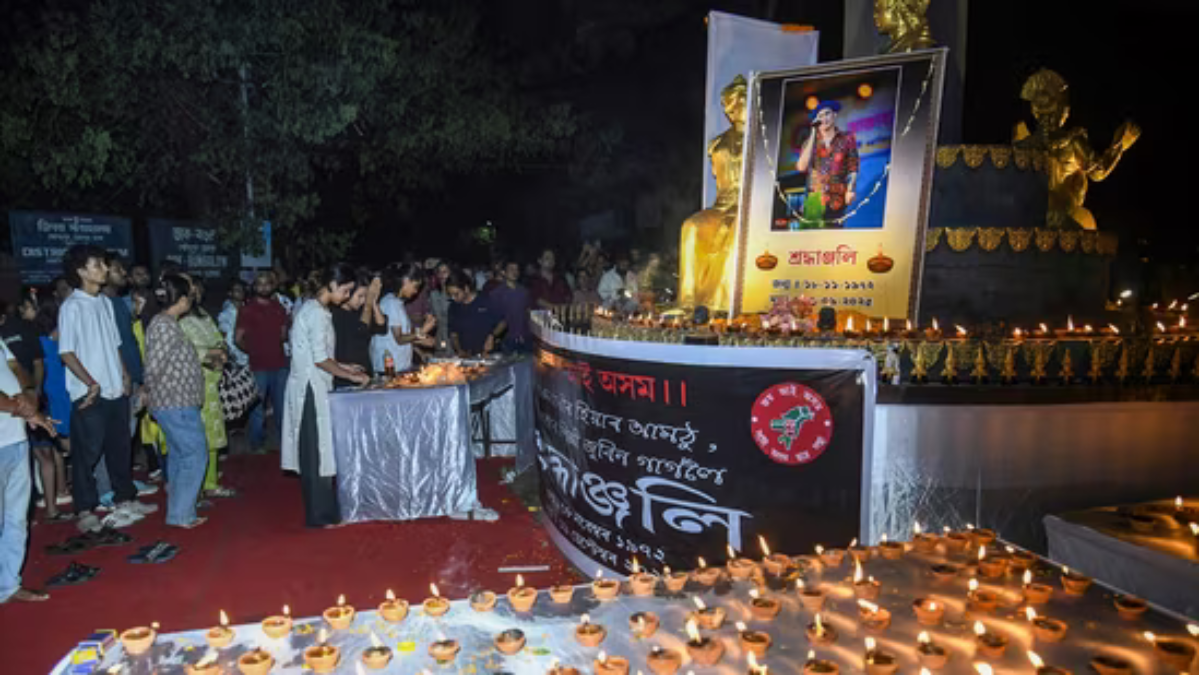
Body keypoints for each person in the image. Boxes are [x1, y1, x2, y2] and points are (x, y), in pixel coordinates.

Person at [58, 245, 155, 533]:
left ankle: (125, 499)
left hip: (114, 388)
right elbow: (66, 352)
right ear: (81, 271)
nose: (103, 269)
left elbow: (115, 344)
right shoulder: (72, 306)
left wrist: (124, 374)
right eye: (97, 264)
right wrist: (90, 383)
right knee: (87, 453)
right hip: (89, 394)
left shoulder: (104, 302)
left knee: (119, 447)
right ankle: (85, 509)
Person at [281, 266, 369, 528]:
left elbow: (318, 354)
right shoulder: (316, 313)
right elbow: (319, 359)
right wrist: (349, 375)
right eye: (344, 290)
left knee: (317, 453)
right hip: (310, 388)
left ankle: (325, 512)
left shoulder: (314, 310)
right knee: (316, 454)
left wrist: (344, 366)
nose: (346, 295)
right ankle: (319, 516)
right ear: (330, 285)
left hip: (312, 384)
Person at [144, 275, 209, 528]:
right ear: (182, 300)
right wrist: (149, 392)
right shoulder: (163, 325)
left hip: (176, 402)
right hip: (175, 403)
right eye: (189, 297)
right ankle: (182, 514)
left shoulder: (167, 323)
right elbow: (154, 366)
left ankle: (179, 512)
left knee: (181, 457)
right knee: (195, 455)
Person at [0, 339, 57, 603]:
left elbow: (14, 366)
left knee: (16, 517)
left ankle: (8, 585)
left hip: (15, 438)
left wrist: (30, 392)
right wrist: (22, 407)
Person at [178, 277, 232, 496]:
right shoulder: (176, 320)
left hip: (212, 382)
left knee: (213, 436)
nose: (196, 294)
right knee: (195, 438)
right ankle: (194, 489)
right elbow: (188, 350)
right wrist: (212, 355)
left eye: (198, 290)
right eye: (191, 290)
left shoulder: (203, 316)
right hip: (193, 384)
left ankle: (210, 483)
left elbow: (219, 339)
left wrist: (220, 354)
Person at [236, 272, 290, 454]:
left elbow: (283, 335)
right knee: (257, 408)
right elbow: (238, 338)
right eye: (260, 284)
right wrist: (253, 351)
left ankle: (285, 445)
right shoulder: (247, 309)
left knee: (282, 407)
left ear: (273, 286)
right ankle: (256, 444)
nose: (264, 287)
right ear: (254, 287)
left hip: (279, 364)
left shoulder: (279, 308)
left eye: (267, 284)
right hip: (258, 365)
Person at [34, 302, 72, 521]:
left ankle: (61, 491)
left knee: (52, 450)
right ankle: (60, 493)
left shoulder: (41, 343)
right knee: (58, 447)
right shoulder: (51, 345)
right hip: (53, 400)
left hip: (48, 400)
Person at [795, 100, 859, 225]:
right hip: (815, 199)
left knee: (834, 237)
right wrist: (813, 133)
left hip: (837, 199)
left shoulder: (847, 138)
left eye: (827, 114)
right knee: (812, 239)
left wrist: (850, 189)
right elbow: (801, 167)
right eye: (820, 116)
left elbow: (853, 166)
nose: (824, 118)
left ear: (834, 115)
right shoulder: (809, 143)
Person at [369, 263, 435, 375]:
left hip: (398, 366)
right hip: (389, 368)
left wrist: (420, 352)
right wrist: (423, 330)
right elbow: (399, 339)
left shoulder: (398, 303)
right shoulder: (391, 303)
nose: (416, 291)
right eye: (415, 286)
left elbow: (404, 337)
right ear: (405, 281)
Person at [332, 271, 386, 386]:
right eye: (360, 296)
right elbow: (361, 331)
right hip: (345, 377)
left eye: (365, 296)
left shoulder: (360, 311)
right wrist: (368, 303)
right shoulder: (336, 314)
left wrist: (374, 302)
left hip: (365, 374)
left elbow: (382, 327)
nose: (362, 301)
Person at [446, 272, 506, 357]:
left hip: (489, 354)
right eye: (450, 295)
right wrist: (459, 350)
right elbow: (453, 333)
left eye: (456, 294)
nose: (453, 298)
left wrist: (492, 336)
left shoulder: (487, 300)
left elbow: (503, 321)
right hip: (468, 356)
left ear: (466, 289)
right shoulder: (453, 307)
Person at [489, 261, 531, 353]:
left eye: (516, 269)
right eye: (511, 269)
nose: (515, 272)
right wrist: (494, 337)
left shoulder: (524, 291)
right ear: (503, 272)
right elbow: (495, 319)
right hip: (507, 340)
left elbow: (528, 313)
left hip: (525, 338)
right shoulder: (496, 294)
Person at [217, 280, 249, 369]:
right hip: (237, 360)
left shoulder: (250, 309)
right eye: (237, 290)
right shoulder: (225, 315)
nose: (241, 292)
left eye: (242, 289)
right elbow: (228, 339)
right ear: (230, 293)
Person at [428, 262, 453, 353]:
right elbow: (433, 318)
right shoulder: (433, 294)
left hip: (455, 338)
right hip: (441, 338)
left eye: (445, 272)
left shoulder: (456, 293)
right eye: (439, 272)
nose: (442, 275)